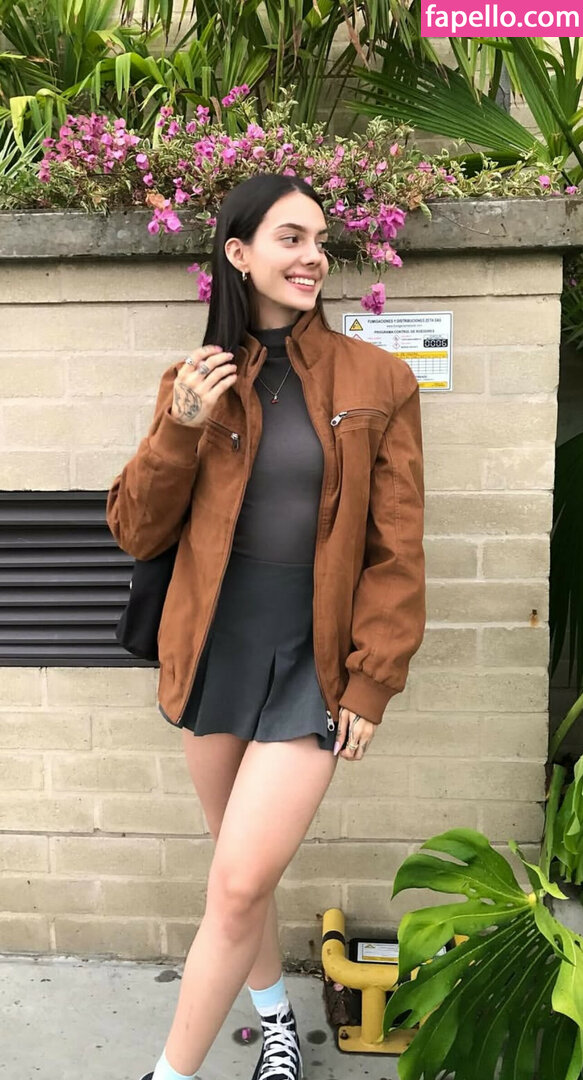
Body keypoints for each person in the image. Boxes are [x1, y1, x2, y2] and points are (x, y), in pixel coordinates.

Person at [106, 172, 425, 1080]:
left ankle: (168, 1074)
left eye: (320, 240)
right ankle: (277, 1020)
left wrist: (372, 678)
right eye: (291, 238)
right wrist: (180, 427)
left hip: (311, 663)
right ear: (238, 254)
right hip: (216, 651)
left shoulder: (379, 379)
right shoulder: (193, 380)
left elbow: (396, 547)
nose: (313, 256)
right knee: (236, 874)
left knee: (240, 880)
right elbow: (135, 530)